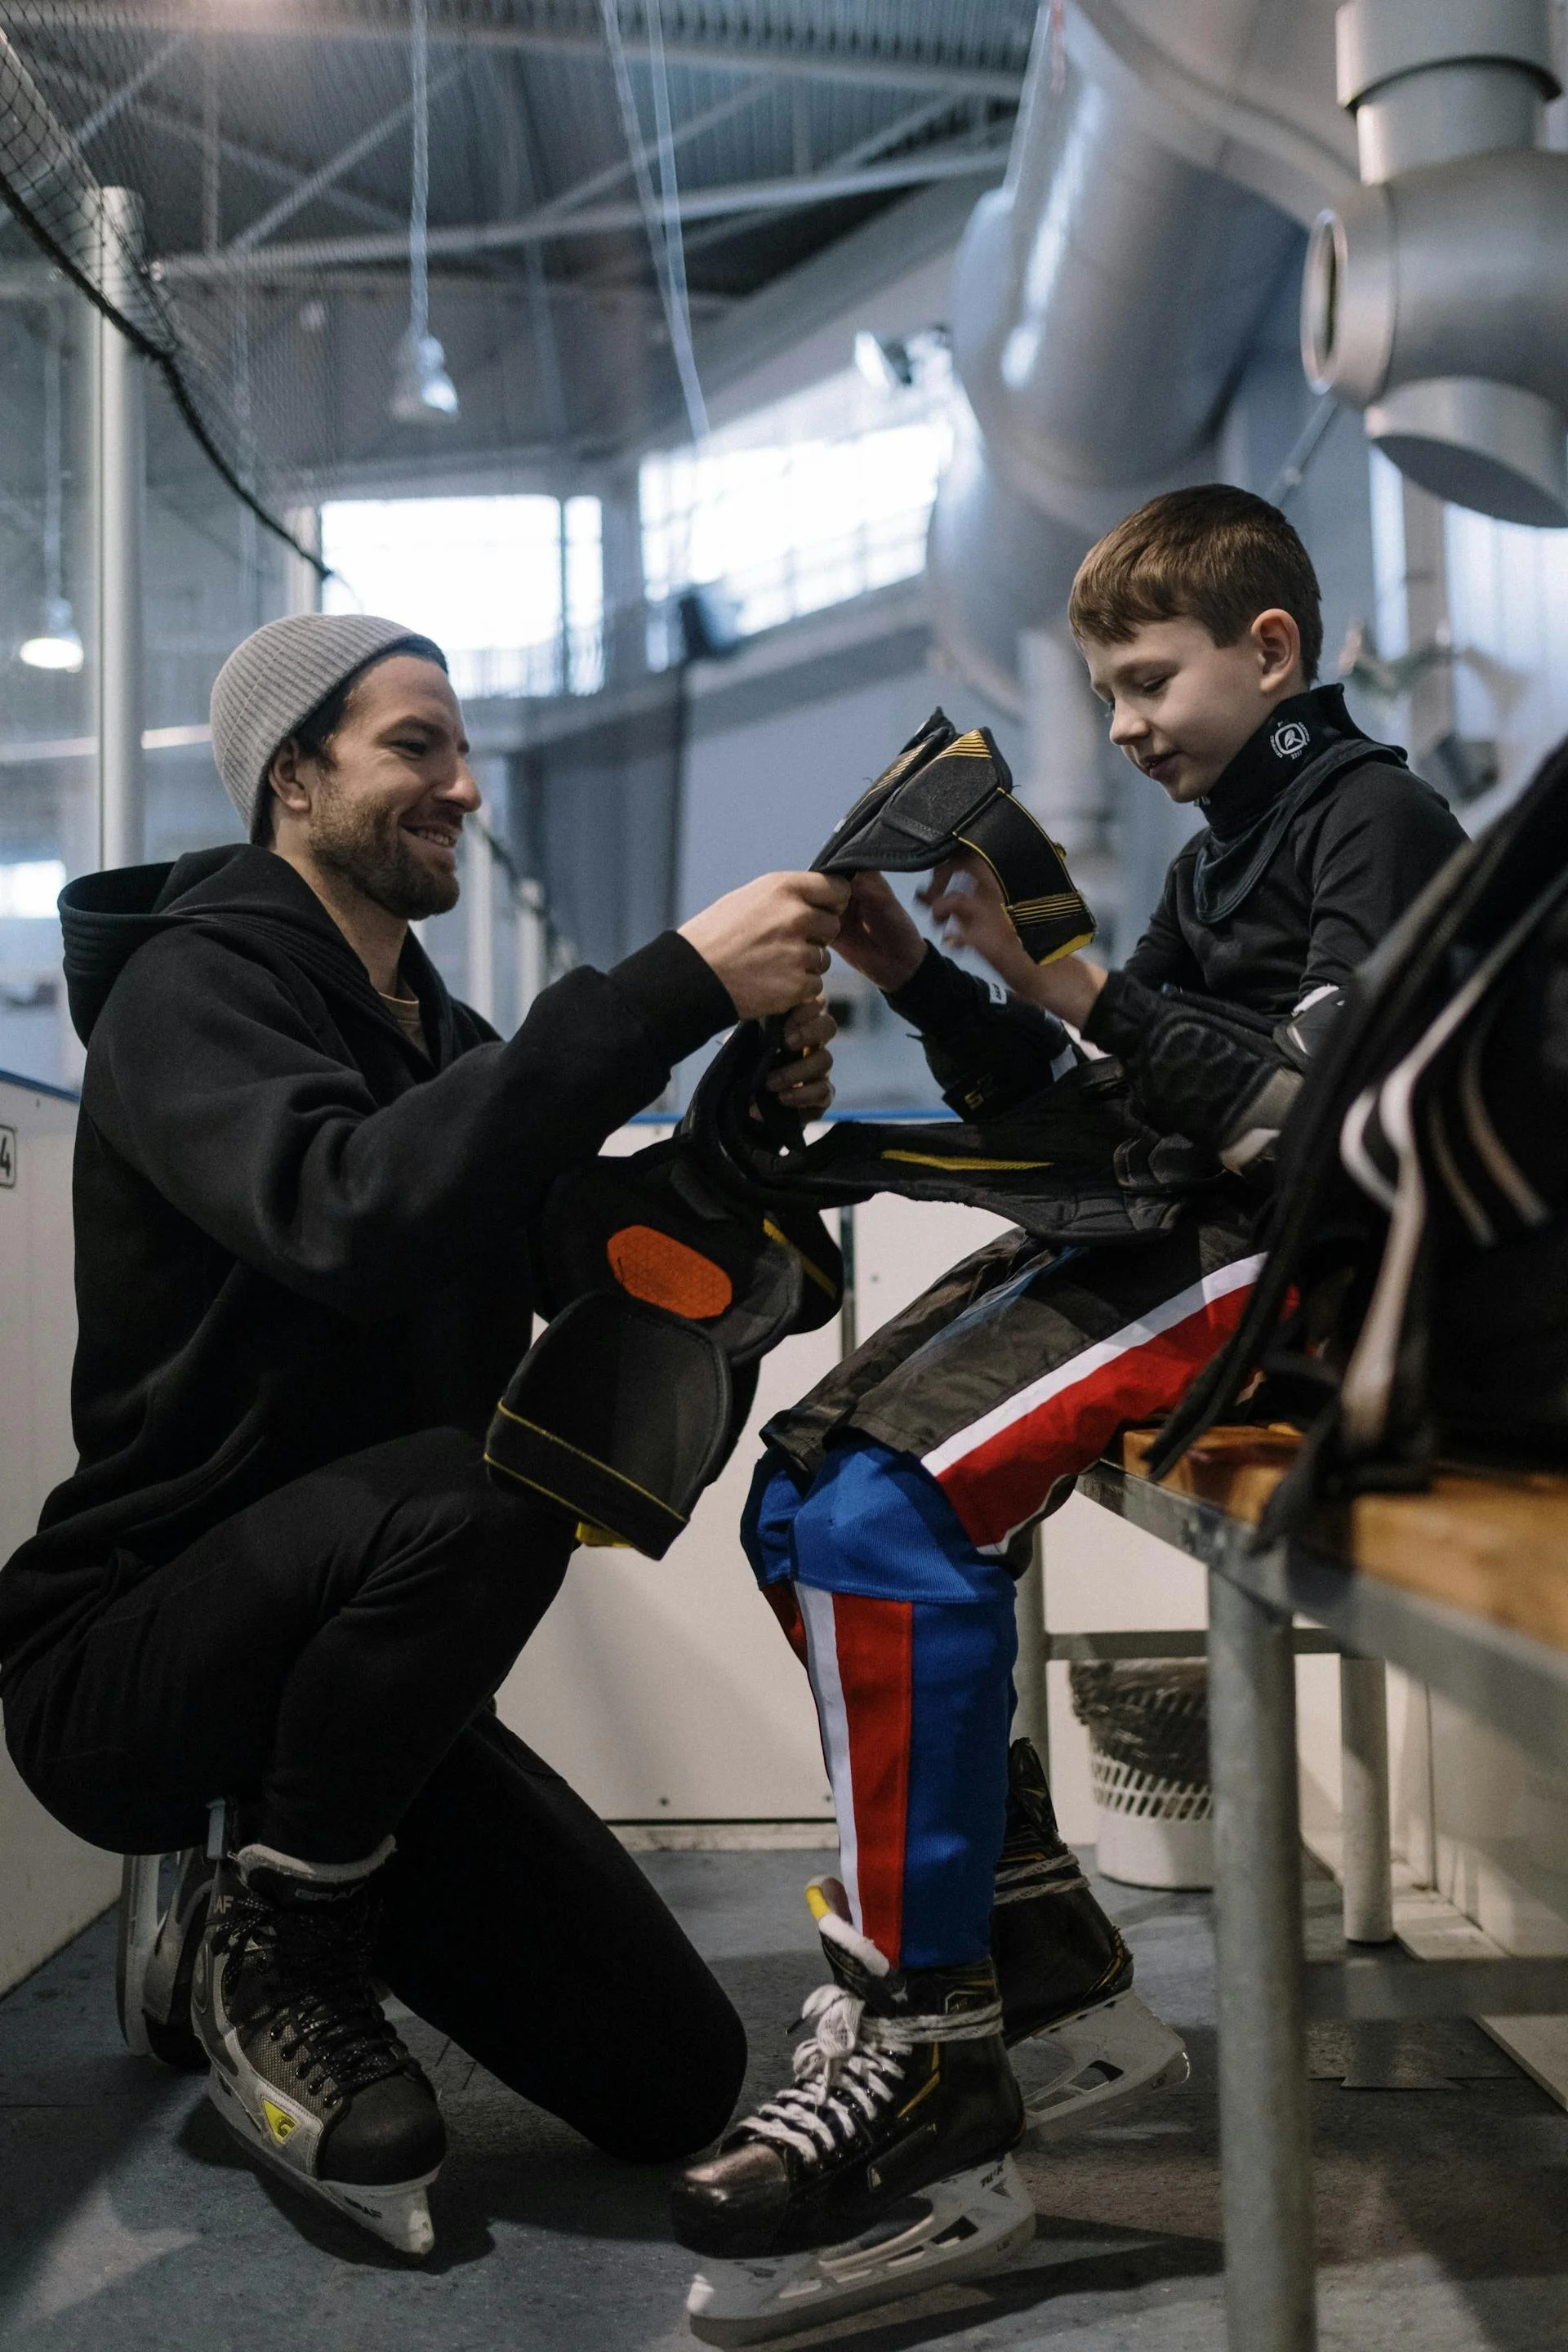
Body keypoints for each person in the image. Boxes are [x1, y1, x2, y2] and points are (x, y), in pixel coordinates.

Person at [670, 486, 1468, 2336]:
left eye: (1144, 681)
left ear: (1269, 652)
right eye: (1106, 689)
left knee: (881, 1518)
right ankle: (1031, 1952)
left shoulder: (1378, 819)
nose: (1117, 725)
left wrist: (1084, 980)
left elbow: (1321, 1130)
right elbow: (1104, 1112)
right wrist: (919, 978)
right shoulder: (1219, 859)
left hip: (1311, 1274)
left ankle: (924, 2052)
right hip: (1193, 1239)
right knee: (800, 1499)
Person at [0, 611, 848, 2257]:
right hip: (130, 1658)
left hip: (352, 1674)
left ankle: (282, 1878)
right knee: (490, 1492)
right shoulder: (190, 994)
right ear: (291, 773)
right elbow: (348, 1215)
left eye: (463, 753)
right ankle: (282, 1949)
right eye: (413, 746)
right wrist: (669, 984)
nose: (462, 785)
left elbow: (581, 1249)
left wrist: (743, 1119)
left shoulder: (442, 1049)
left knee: (675, 2079)